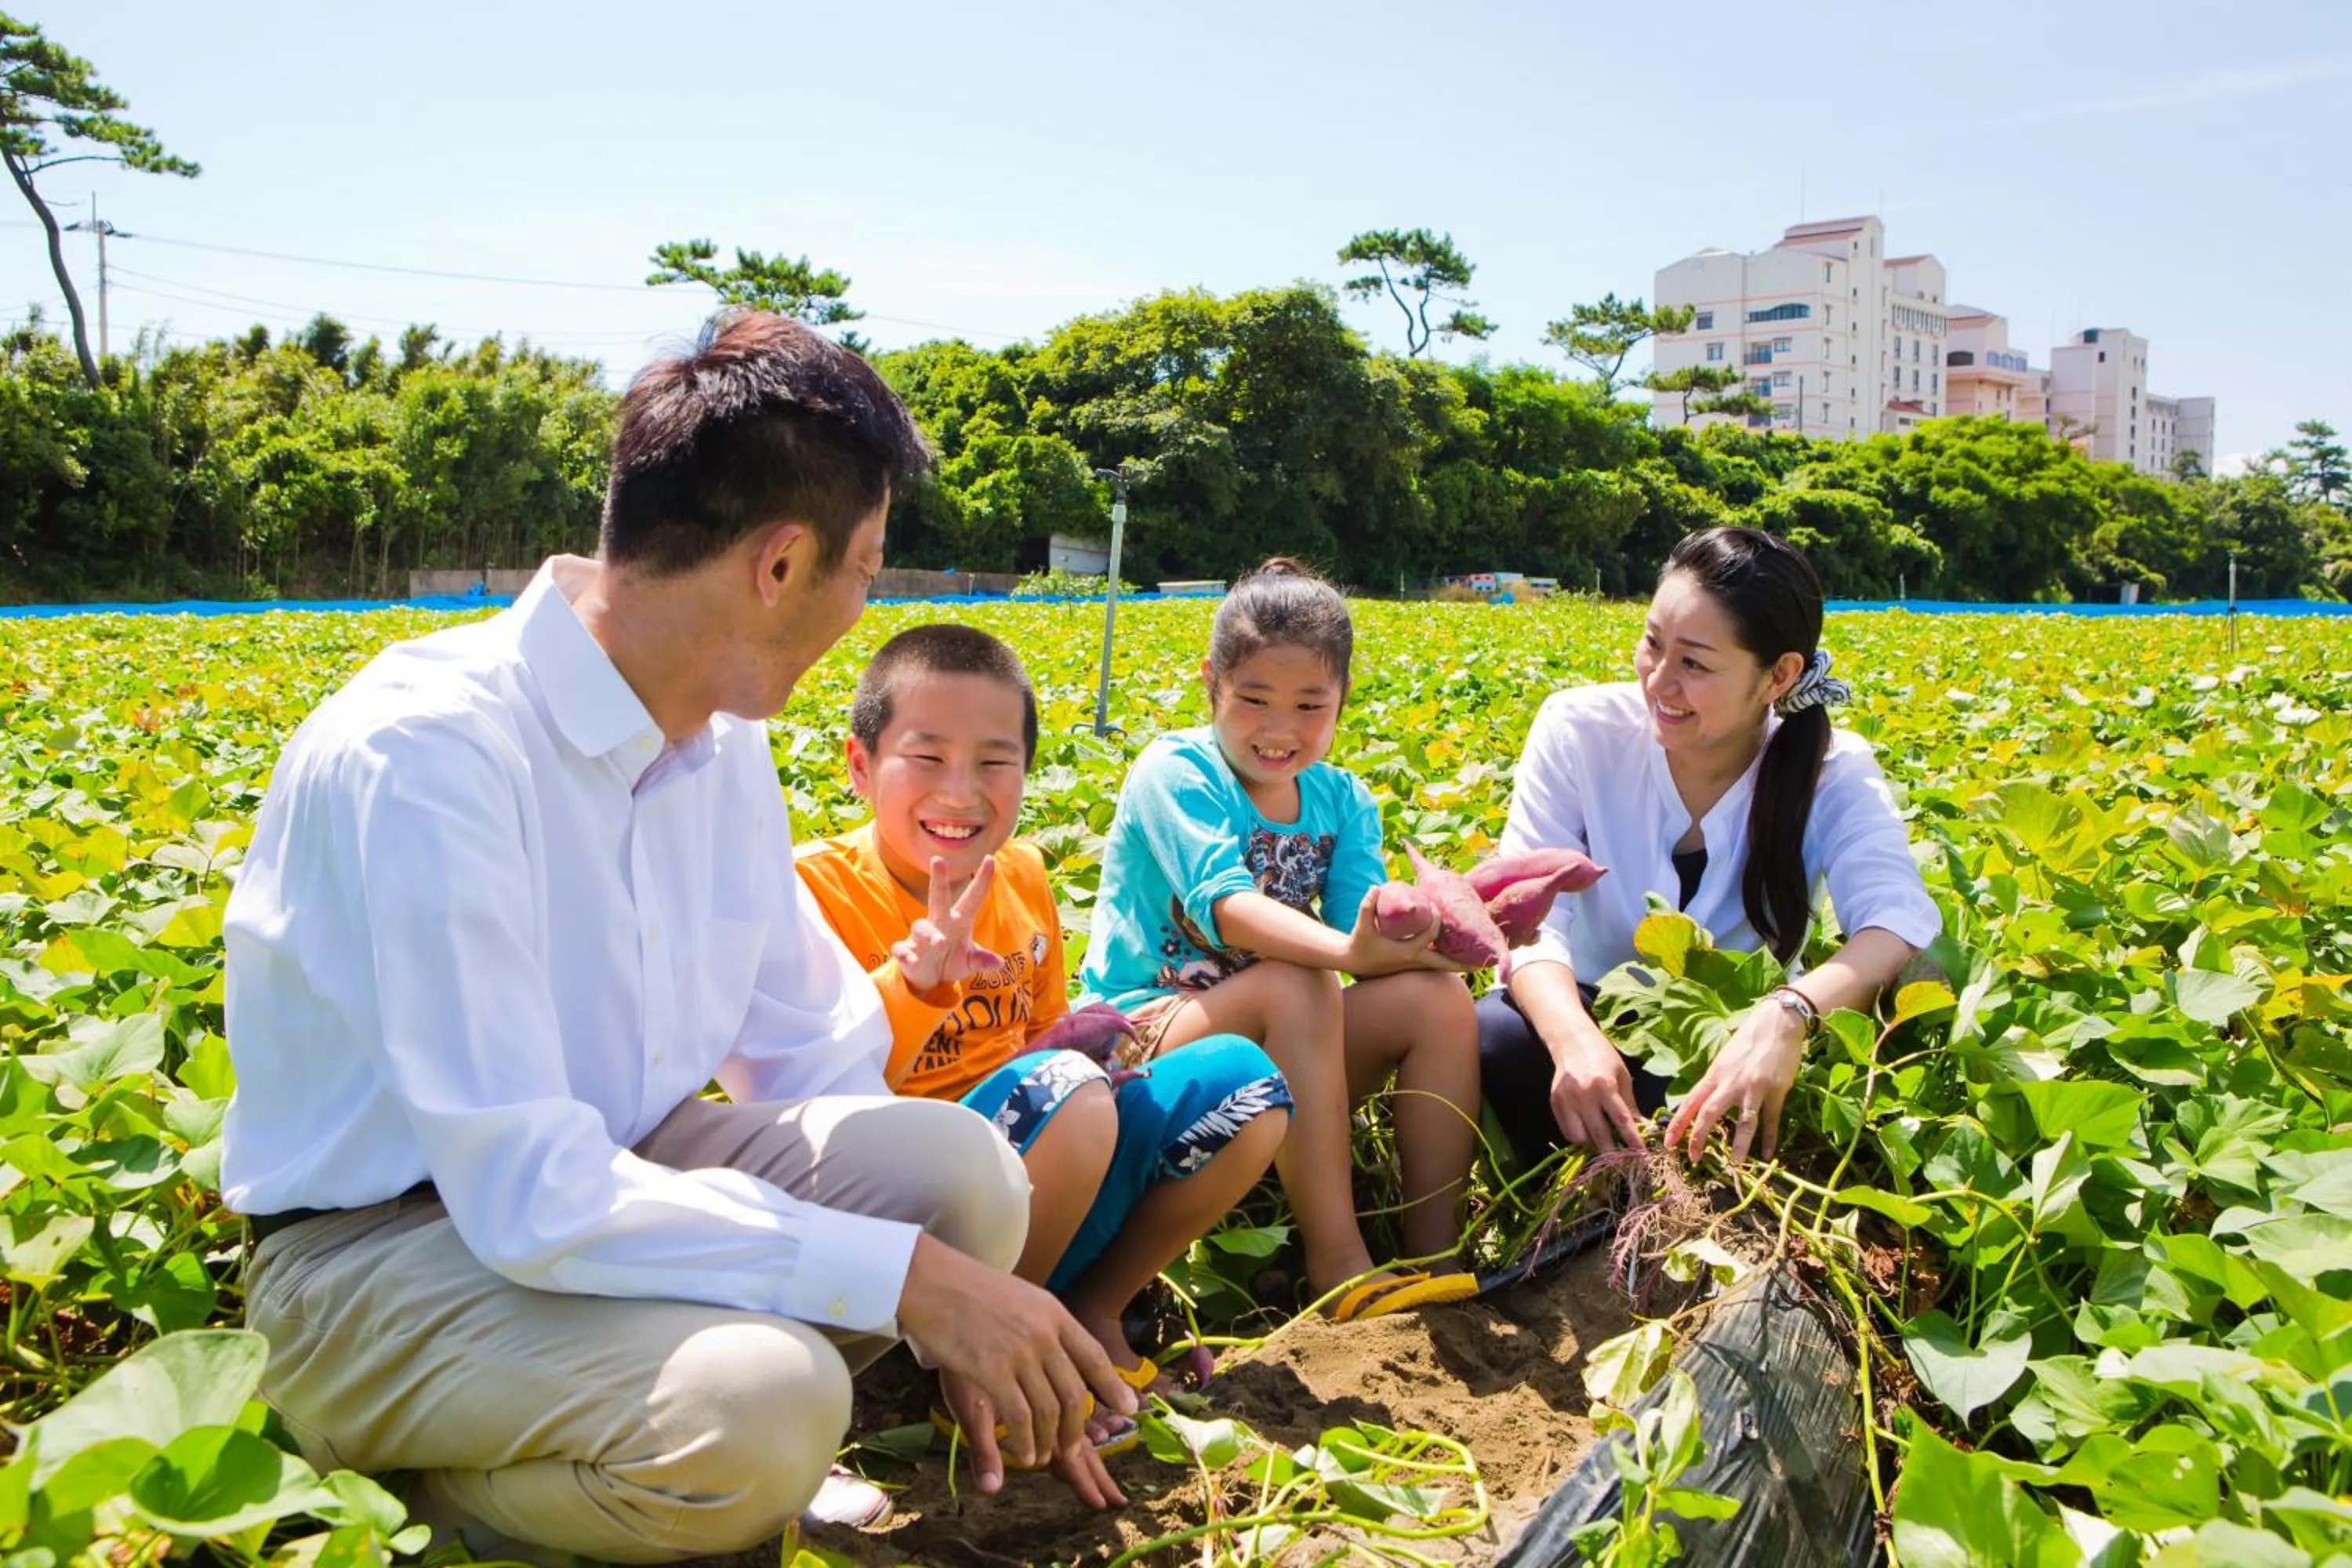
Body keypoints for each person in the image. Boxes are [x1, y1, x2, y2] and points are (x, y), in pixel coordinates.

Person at [219, 311, 1134, 1568]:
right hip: (374, 1255)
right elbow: (527, 1192)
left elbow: (806, 1053)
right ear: (779, 564)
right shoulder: (429, 754)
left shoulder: (721, 740)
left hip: (616, 1164)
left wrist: (956, 1283)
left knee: (962, 1173)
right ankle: (417, 1505)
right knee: (763, 1404)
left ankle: (670, 1456)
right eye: (864, 568)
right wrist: (911, 1286)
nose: (863, 604)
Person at [797, 623, 1292, 1410]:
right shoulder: (813, 892)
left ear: (1027, 768)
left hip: (1045, 1171)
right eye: (927, 758)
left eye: (995, 761)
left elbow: (1040, 1038)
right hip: (910, 1216)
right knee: (1068, 1088)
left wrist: (1087, 1038)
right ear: (860, 765)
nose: (961, 792)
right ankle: (992, 1362)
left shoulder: (1021, 872)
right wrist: (910, 983)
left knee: (1246, 1086)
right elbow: (813, 1093)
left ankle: (1085, 1311)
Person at [1078, 558, 1482, 1322]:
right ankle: (1339, 1266)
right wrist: (1350, 954)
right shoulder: (1178, 770)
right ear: (1211, 681)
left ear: (1342, 701)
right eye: (1254, 698)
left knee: (1435, 999)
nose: (1280, 729)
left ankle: (1435, 1258)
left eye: (1310, 704)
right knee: (1300, 979)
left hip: (1285, 1035)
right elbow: (1227, 907)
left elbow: (1362, 923)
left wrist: (1449, 934)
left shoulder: (1343, 798)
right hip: (1145, 1039)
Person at [1477, 525, 1943, 1167]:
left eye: (1694, 663)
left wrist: (1790, 1013)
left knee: (1725, 1110)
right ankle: (1572, 1213)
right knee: (1493, 1037)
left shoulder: (1832, 768)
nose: (1659, 683)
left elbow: (1895, 918)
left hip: (1727, 1041)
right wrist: (1573, 1039)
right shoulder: (1578, 730)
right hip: (1581, 1014)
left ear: (1779, 675)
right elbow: (1530, 923)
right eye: (1652, 644)